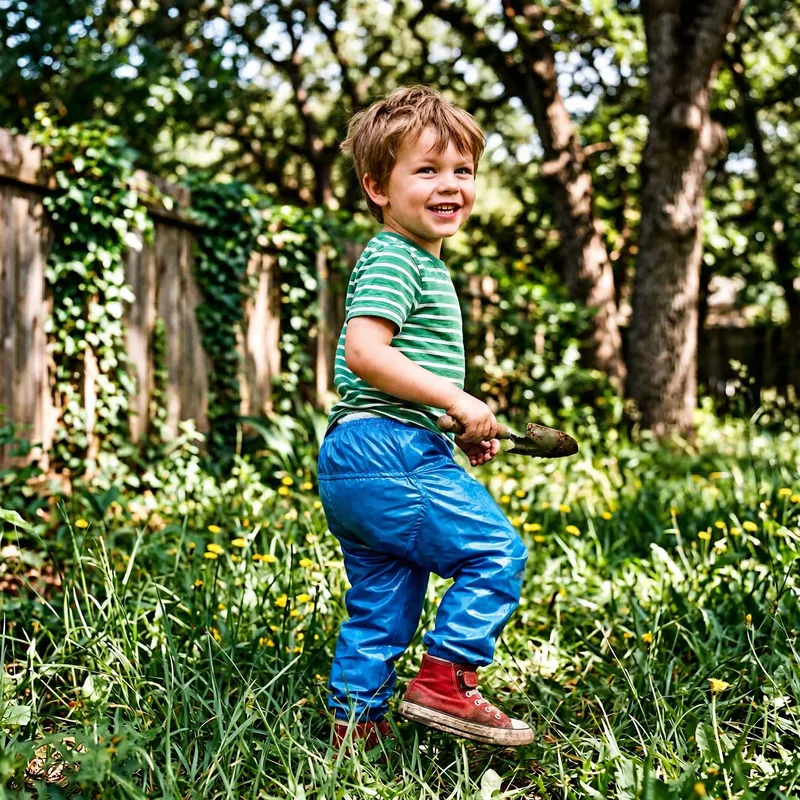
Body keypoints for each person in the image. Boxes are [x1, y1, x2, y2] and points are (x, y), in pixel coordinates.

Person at [317, 85, 533, 749]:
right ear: (379, 187)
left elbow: (391, 382)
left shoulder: (420, 264)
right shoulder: (395, 257)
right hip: (388, 451)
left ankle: (353, 733)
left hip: (359, 453)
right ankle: (447, 681)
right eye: (428, 169)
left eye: (462, 171)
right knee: (496, 551)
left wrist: (453, 429)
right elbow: (365, 354)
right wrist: (454, 398)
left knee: (382, 605)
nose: (450, 185)